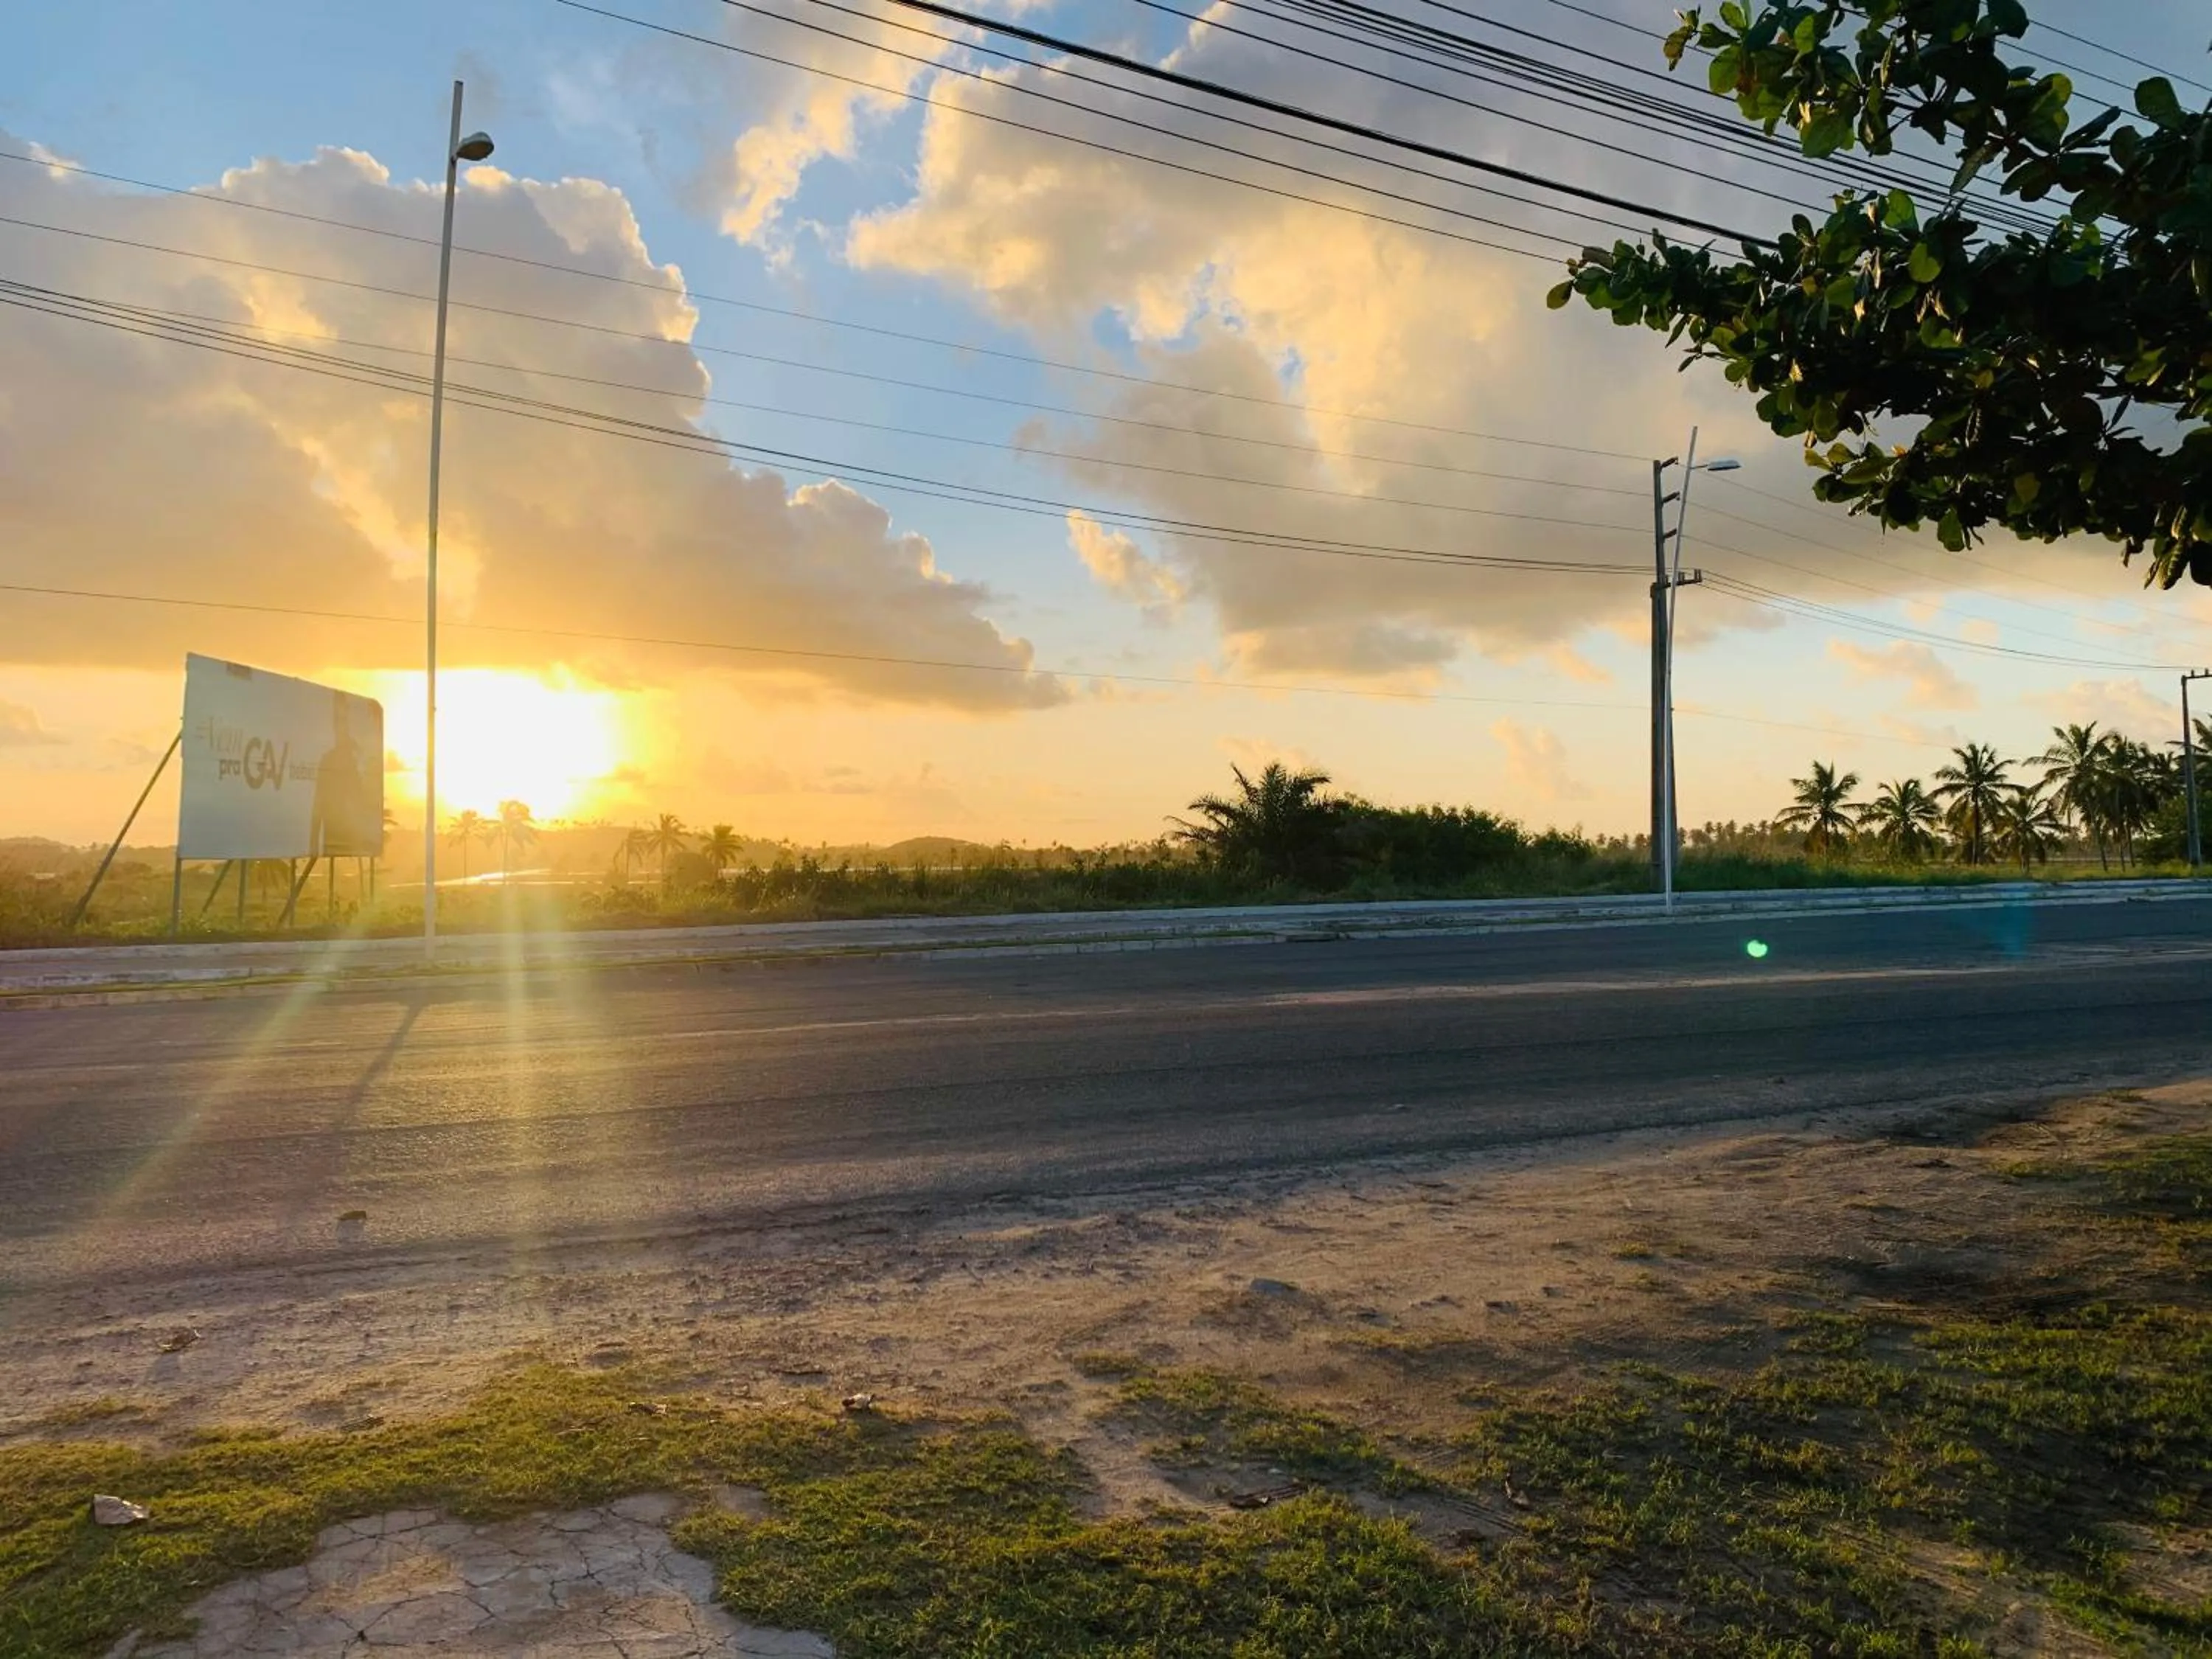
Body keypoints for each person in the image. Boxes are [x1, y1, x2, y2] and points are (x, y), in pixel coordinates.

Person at [310, 689, 376, 857]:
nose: (340, 727)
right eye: (337, 720)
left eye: (344, 720)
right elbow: (318, 808)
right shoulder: (328, 760)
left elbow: (368, 804)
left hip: (359, 842)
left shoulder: (365, 761)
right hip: (334, 844)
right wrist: (313, 847)